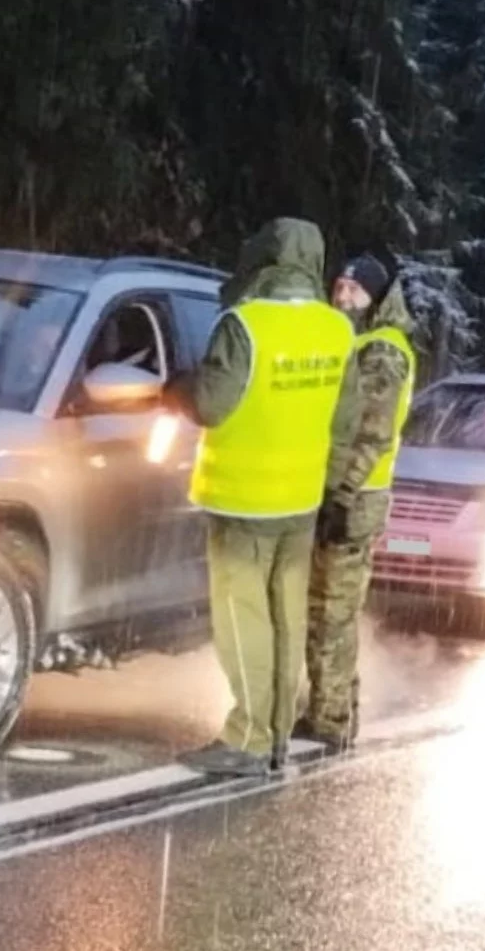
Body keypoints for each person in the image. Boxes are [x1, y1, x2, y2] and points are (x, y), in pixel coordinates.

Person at [171, 218, 360, 777]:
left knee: (243, 621)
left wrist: (176, 388)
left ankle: (249, 739)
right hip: (301, 504)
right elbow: (346, 422)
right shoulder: (336, 331)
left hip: (243, 503)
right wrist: (334, 492)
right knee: (285, 619)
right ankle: (277, 732)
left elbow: (211, 403)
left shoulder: (245, 326)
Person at [294, 252, 416, 754]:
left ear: (375, 298)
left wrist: (340, 497)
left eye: (354, 290)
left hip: (356, 497)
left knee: (333, 611)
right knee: (324, 608)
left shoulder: (382, 350)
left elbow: (371, 434)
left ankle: (331, 718)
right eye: (339, 287)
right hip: (340, 492)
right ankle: (331, 708)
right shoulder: (352, 342)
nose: (343, 297)